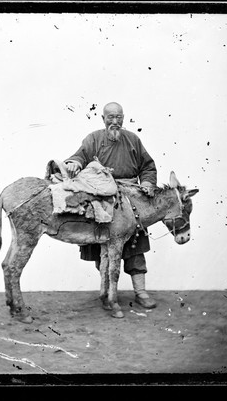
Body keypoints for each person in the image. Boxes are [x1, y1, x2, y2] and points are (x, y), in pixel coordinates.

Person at [65, 102, 158, 308]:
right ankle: (107, 292)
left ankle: (141, 292)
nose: (115, 121)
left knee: (135, 248)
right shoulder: (93, 139)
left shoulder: (133, 140)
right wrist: (75, 163)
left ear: (123, 118)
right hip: (102, 200)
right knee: (103, 248)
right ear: (103, 118)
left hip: (131, 201)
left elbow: (148, 166)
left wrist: (148, 183)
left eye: (118, 117)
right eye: (110, 117)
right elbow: (80, 155)